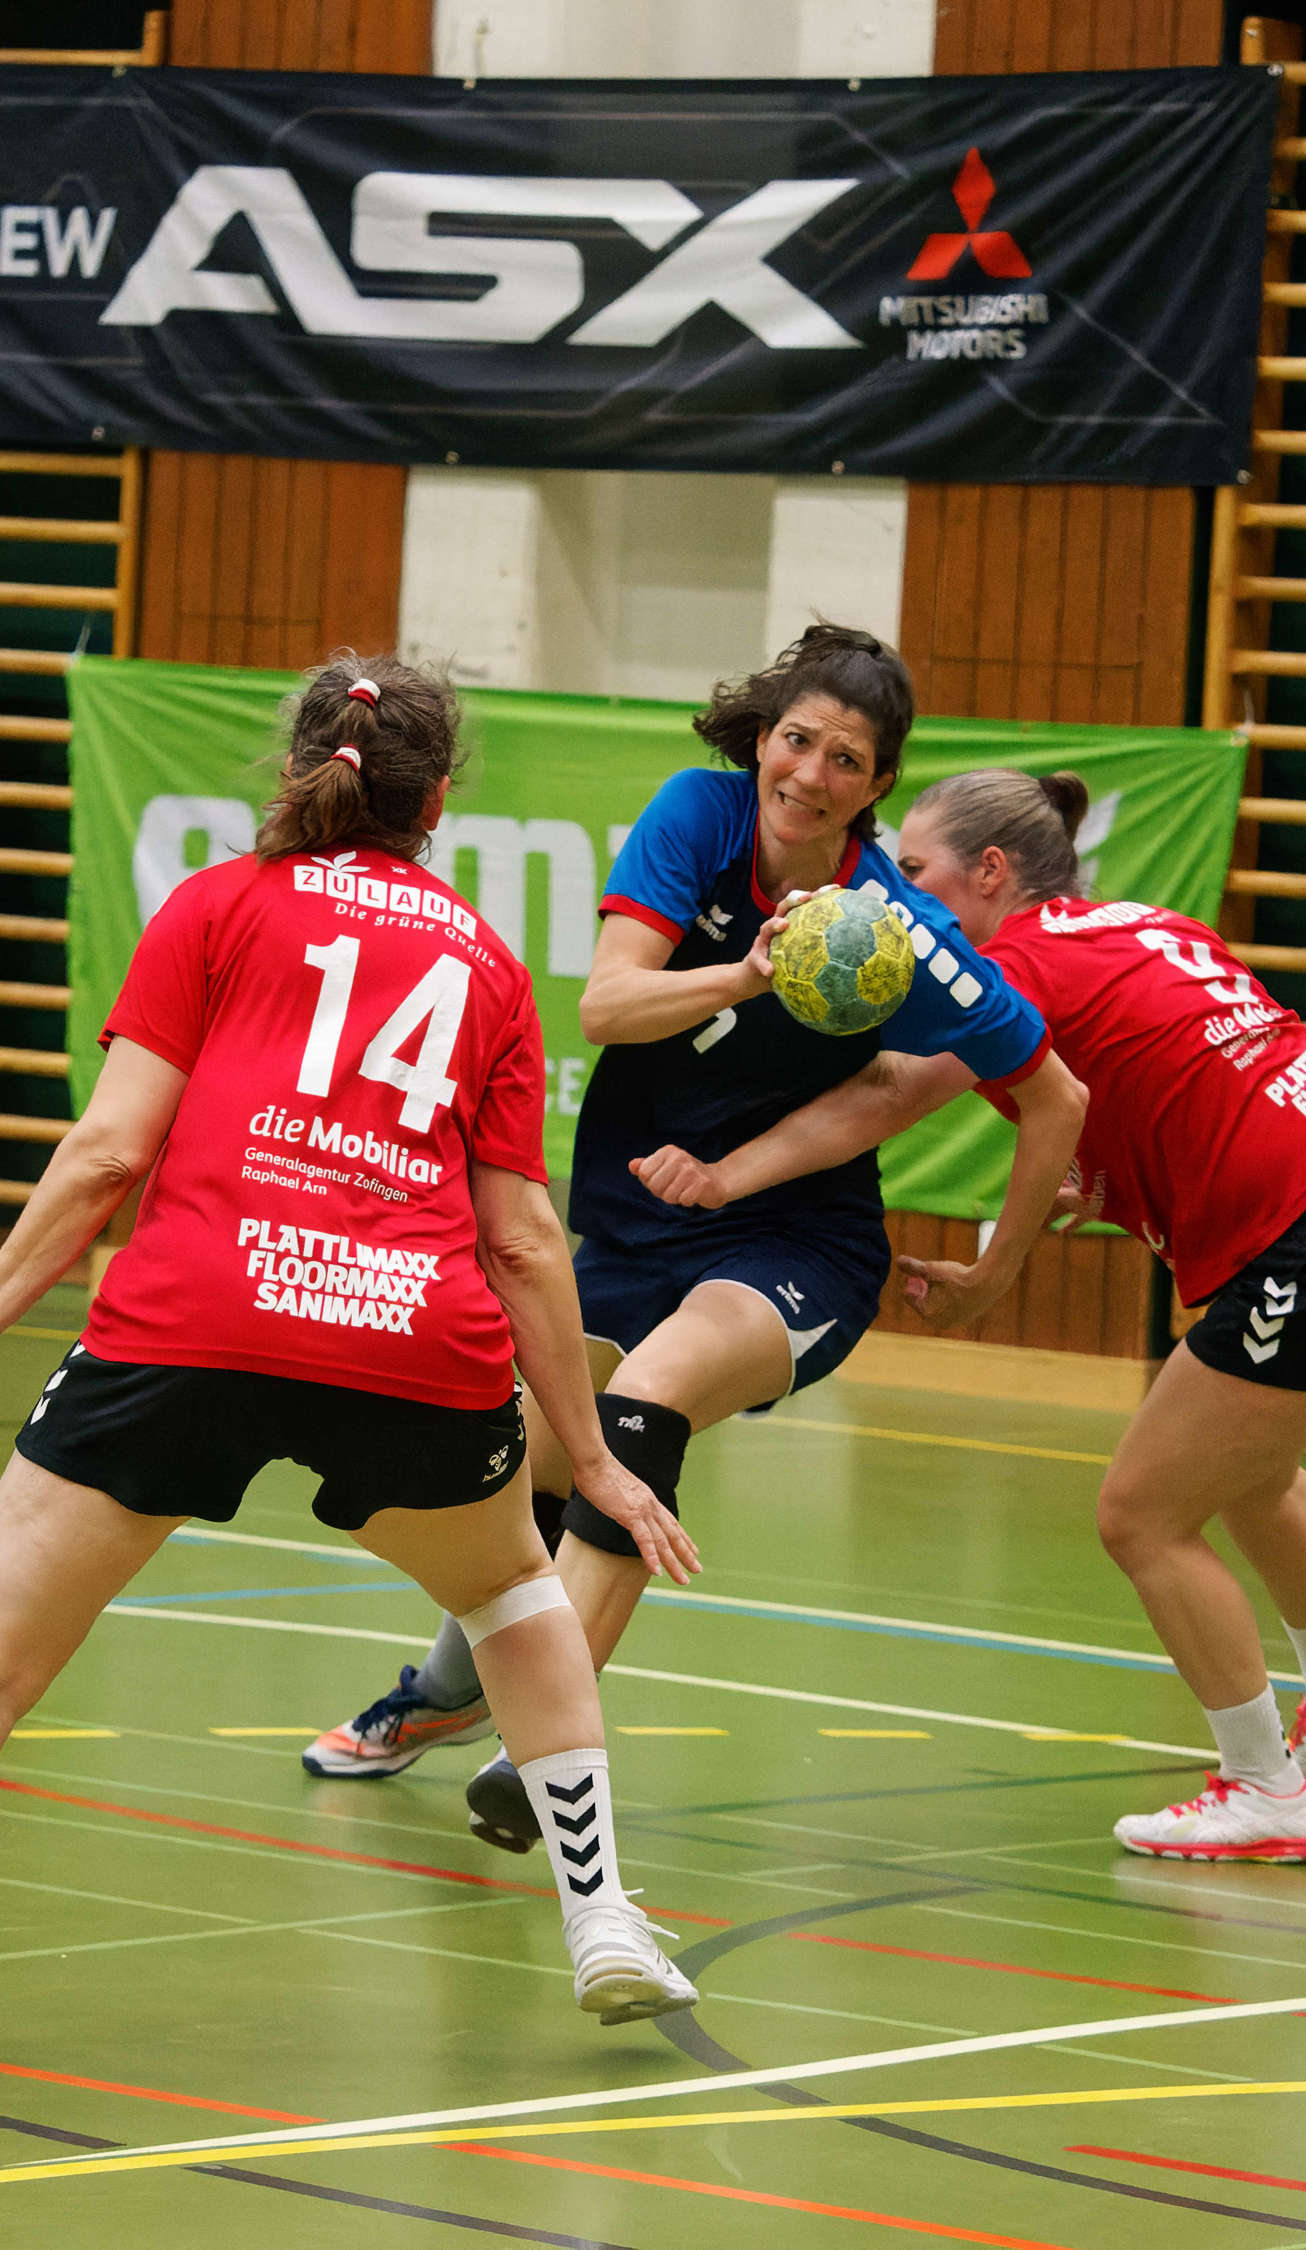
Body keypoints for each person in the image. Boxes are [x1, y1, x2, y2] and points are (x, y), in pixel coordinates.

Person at [0, 656, 701, 2089]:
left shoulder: (213, 904)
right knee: (515, 1592)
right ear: (440, 800)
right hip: (408, 1334)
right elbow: (519, 1239)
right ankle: (600, 1923)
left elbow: (111, 1149)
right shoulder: (490, 965)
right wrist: (598, 1449)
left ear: (302, 763)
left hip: (195, 1316)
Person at [298, 627, 1090, 1856]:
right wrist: (749, 977)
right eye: (797, 740)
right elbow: (608, 1005)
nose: (811, 775)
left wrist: (993, 1277)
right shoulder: (699, 818)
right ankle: (450, 1697)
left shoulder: (889, 929)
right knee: (532, 1472)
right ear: (763, 738)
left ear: (877, 788)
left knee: (644, 1406)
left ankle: (540, 1750)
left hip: (799, 1244)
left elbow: (1058, 1100)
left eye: (847, 759)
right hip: (633, 1210)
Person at [634, 768, 1306, 1864]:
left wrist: (733, 1180)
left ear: (990, 873)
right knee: (1247, 1468)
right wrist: (1110, 1174)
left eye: (915, 870)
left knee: (1142, 1515)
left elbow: (887, 1095)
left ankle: (1268, 1790)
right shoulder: (1135, 923)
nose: (898, 892)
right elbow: (1188, 1077)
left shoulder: (1007, 969)